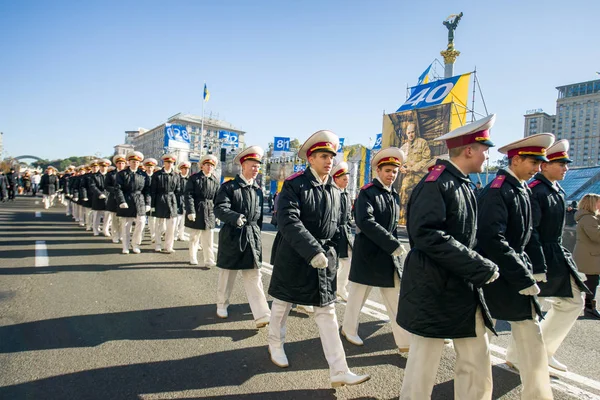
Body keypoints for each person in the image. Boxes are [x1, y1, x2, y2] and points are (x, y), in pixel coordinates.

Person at [397, 115, 499, 400]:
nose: (487, 154)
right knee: (423, 362)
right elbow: (427, 234)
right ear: (469, 150)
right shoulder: (436, 183)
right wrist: (478, 266)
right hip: (435, 286)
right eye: (484, 148)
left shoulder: (462, 183)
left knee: (477, 356)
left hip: (461, 284)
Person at [268, 130, 370, 388]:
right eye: (323, 156)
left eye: (331, 157)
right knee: (283, 304)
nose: (328, 161)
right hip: (294, 254)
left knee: (327, 312)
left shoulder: (335, 192)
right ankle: (275, 344)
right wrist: (313, 250)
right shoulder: (295, 184)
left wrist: (334, 255)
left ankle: (339, 369)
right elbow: (288, 220)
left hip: (323, 261)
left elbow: (339, 228)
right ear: (310, 158)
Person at [478, 133, 555, 400]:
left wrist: (533, 268)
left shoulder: (520, 187)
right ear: (517, 159)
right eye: (533, 162)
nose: (538, 168)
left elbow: (526, 235)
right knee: (480, 338)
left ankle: (537, 394)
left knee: (529, 331)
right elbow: (492, 238)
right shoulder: (498, 189)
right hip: (497, 274)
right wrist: (522, 276)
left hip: (512, 268)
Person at [525, 139, 590, 371]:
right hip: (540, 254)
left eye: (566, 163)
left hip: (554, 252)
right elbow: (531, 231)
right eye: (560, 163)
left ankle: (533, 353)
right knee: (564, 303)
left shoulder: (554, 189)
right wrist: (538, 264)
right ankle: (535, 353)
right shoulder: (536, 191)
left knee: (540, 306)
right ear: (544, 166)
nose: (566, 168)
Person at [342, 148, 411, 353]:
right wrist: (392, 244)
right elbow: (365, 222)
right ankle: (348, 328)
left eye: (395, 171)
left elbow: (391, 226)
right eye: (388, 170)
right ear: (378, 171)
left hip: (387, 255)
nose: (391, 174)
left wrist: (394, 245)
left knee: (395, 298)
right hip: (369, 254)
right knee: (357, 295)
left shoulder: (393, 195)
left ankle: (405, 343)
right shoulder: (367, 192)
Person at [213, 146, 271, 328]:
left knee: (254, 274)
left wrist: (257, 234)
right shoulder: (229, 187)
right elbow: (220, 208)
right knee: (227, 273)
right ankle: (222, 304)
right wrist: (234, 217)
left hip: (252, 237)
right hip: (232, 235)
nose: (256, 169)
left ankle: (262, 314)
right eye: (252, 165)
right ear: (243, 166)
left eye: (258, 166)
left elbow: (259, 217)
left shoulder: (258, 190)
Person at [185, 155, 219, 266]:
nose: (210, 167)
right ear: (202, 166)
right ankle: (193, 257)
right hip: (197, 208)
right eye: (207, 165)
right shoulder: (194, 178)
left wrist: (218, 214)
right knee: (195, 236)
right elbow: (189, 195)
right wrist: (191, 211)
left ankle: (209, 259)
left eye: (212, 166)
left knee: (209, 237)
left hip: (210, 210)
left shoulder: (214, 180)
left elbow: (217, 198)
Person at [115, 151, 151, 254]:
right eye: (133, 161)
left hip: (139, 200)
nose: (135, 163)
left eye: (137, 161)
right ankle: (125, 246)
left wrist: (148, 203)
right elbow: (118, 189)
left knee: (141, 222)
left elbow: (147, 190)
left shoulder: (143, 175)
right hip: (127, 199)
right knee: (126, 225)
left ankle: (135, 244)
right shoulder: (122, 174)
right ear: (129, 162)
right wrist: (121, 201)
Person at [398, 123, 431, 224]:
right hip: (409, 176)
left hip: (420, 176)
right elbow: (399, 162)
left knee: (421, 198)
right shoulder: (404, 147)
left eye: (412, 132)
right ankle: (402, 220)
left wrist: (412, 169)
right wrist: (401, 168)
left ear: (415, 132)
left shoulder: (422, 143)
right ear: (406, 134)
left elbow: (426, 159)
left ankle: (421, 220)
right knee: (403, 192)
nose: (411, 134)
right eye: (409, 133)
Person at [573, 193, 600, 319]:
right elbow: (596, 236)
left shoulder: (587, 218)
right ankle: (589, 308)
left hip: (589, 254)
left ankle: (588, 306)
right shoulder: (589, 219)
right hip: (590, 255)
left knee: (591, 281)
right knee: (592, 282)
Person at [331, 162, 352, 301]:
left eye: (347, 180)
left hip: (345, 232)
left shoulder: (346, 194)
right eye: (344, 179)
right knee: (331, 262)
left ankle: (340, 288)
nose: (346, 182)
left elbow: (348, 214)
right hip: (333, 231)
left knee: (348, 261)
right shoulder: (332, 193)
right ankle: (331, 289)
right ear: (336, 179)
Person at [151, 154, 180, 253]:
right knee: (159, 224)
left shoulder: (176, 175)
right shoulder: (157, 174)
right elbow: (153, 191)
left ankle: (169, 246)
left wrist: (177, 204)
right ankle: (158, 244)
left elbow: (178, 191)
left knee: (171, 225)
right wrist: (152, 205)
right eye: (167, 162)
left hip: (172, 201)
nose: (169, 164)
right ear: (164, 163)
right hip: (160, 200)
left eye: (171, 163)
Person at [106, 155, 127, 243]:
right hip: (114, 199)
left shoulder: (127, 173)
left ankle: (122, 235)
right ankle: (115, 235)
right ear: (116, 164)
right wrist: (116, 190)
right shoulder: (111, 174)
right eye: (119, 163)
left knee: (123, 219)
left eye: (122, 163)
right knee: (114, 219)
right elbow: (106, 186)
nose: (121, 165)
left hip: (124, 199)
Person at [89, 159, 111, 237]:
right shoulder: (94, 176)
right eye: (102, 166)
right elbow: (92, 186)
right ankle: (95, 229)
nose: (103, 168)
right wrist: (99, 194)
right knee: (97, 214)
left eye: (105, 166)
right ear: (99, 166)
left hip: (108, 196)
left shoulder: (110, 175)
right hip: (98, 197)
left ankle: (105, 229)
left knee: (107, 215)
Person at [142, 158, 159, 243]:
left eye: (151, 167)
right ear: (145, 167)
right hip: (142, 200)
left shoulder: (156, 177)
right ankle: (141, 236)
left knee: (153, 220)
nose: (149, 168)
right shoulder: (141, 175)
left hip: (153, 201)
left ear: (154, 167)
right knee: (142, 220)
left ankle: (153, 236)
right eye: (148, 167)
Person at [175, 161, 191, 241]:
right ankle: (174, 234)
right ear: (181, 169)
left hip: (186, 200)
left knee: (184, 219)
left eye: (187, 168)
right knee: (177, 218)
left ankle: (181, 234)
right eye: (184, 168)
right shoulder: (177, 178)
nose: (186, 170)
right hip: (178, 199)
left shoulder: (190, 179)